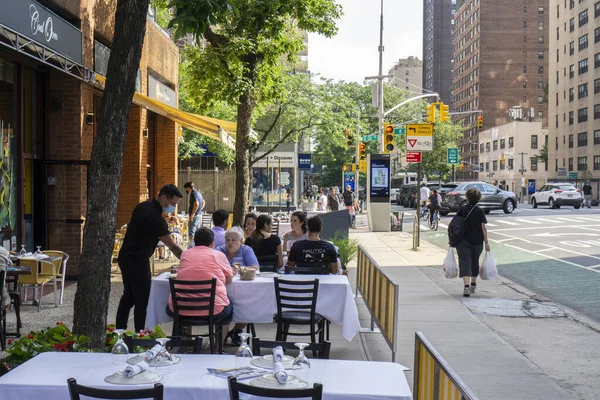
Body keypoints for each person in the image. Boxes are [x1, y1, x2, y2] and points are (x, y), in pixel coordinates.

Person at [116, 184, 184, 332]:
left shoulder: (143, 206)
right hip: (137, 260)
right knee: (143, 298)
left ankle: (119, 330)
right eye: (172, 204)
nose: (173, 208)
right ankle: (141, 333)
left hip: (125, 256)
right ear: (164, 197)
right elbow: (171, 245)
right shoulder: (154, 217)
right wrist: (187, 259)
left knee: (129, 296)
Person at [167, 228, 233, 322]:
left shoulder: (185, 254)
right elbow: (229, 280)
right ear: (212, 243)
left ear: (195, 242)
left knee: (174, 309)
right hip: (214, 309)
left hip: (180, 308)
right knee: (228, 309)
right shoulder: (219, 255)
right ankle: (222, 337)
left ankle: (184, 335)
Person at [215, 227, 259, 345]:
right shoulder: (219, 250)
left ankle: (236, 330)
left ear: (241, 241)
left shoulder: (246, 250)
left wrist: (239, 269)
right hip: (223, 289)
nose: (229, 243)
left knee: (250, 306)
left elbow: (255, 267)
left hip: (243, 289)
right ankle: (221, 334)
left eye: (233, 240)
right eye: (227, 240)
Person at [455, 187, 490, 297]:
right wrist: (487, 243)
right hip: (477, 241)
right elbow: (483, 228)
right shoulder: (480, 211)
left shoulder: (462, 209)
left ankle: (466, 286)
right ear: (478, 198)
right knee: (475, 261)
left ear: (467, 197)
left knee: (464, 262)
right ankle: (473, 284)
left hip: (462, 241)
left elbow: (455, 224)